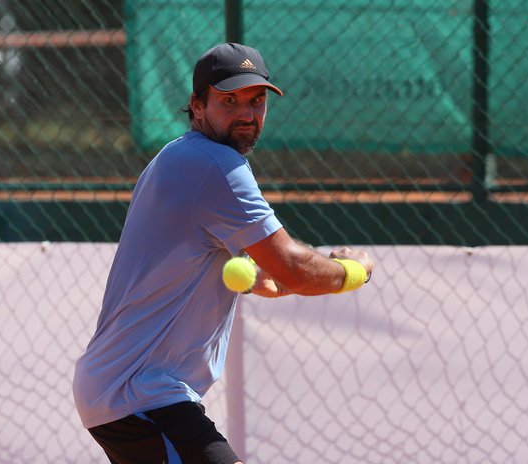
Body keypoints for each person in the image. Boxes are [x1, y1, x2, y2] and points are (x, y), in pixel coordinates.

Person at [72, 42, 374, 464]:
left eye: (257, 100)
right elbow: (293, 268)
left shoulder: (181, 157)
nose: (248, 114)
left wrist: (275, 280)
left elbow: (272, 275)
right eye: (229, 101)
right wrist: (353, 270)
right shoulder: (214, 165)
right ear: (197, 106)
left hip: (131, 390)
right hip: (137, 393)